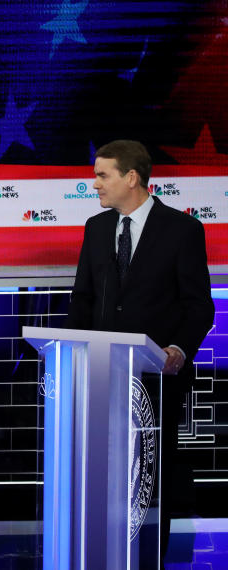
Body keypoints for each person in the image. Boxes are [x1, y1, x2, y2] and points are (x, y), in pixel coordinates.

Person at [64, 139, 214, 559]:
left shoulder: (182, 229)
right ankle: (100, 551)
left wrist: (180, 349)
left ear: (132, 178)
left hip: (157, 378)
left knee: (150, 474)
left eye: (102, 175)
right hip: (100, 373)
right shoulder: (96, 228)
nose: (94, 183)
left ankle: (148, 555)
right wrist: (73, 353)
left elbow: (199, 305)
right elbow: (83, 299)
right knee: (101, 470)